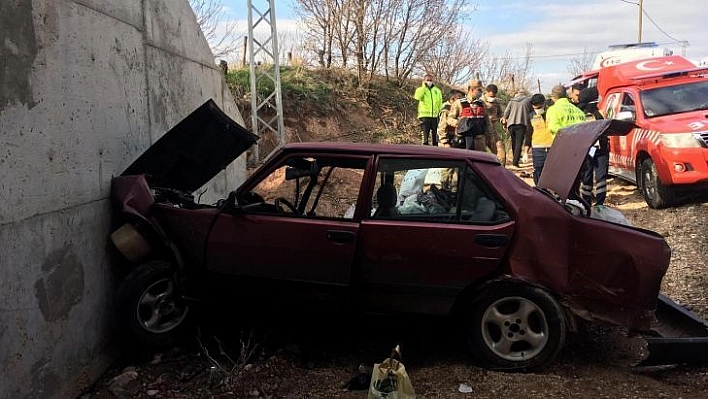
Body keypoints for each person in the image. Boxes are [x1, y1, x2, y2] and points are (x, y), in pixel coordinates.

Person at [576, 87, 609, 206]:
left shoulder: (579, 114)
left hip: (587, 149)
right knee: (600, 177)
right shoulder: (599, 113)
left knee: (587, 176)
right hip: (599, 149)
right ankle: (600, 203)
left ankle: (586, 202)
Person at [447, 79, 492, 151]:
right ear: (472, 89)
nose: (480, 92)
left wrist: (490, 136)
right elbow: (449, 119)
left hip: (480, 140)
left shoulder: (482, 104)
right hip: (464, 140)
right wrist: (459, 123)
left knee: (480, 160)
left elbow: (487, 121)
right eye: (479, 90)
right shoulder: (459, 103)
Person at [501, 89, 532, 168]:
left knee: (514, 142)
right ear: (524, 94)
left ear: (518, 94)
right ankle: (515, 161)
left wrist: (505, 119)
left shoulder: (512, 101)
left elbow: (506, 112)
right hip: (522, 123)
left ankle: (515, 158)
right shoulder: (528, 100)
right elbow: (532, 112)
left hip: (511, 124)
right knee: (519, 143)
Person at [528, 93, 555, 184]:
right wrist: (525, 150)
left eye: (539, 108)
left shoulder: (552, 114)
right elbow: (528, 133)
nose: (537, 110)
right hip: (537, 148)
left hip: (552, 147)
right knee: (538, 170)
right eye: (535, 108)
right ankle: (541, 192)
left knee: (552, 171)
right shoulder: (531, 116)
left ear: (544, 104)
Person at [413, 74, 444, 146]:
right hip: (424, 116)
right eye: (427, 80)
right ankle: (424, 151)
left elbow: (440, 102)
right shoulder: (420, 89)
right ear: (424, 81)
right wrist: (424, 87)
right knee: (425, 136)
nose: (429, 82)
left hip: (435, 116)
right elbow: (417, 97)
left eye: (430, 80)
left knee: (435, 136)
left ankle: (435, 151)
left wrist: (440, 112)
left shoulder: (437, 90)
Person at [482, 84, 507, 165]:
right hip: (482, 132)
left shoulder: (496, 102)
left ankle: (501, 170)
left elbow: (500, 114)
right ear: (486, 92)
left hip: (493, 131)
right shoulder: (479, 102)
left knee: (500, 150)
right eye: (491, 95)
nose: (492, 98)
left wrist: (502, 119)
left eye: (494, 95)